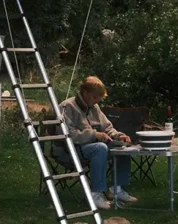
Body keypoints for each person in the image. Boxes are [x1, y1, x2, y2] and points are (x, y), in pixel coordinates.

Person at [54, 76, 137, 209]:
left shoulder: (94, 107)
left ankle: (116, 189)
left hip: (92, 146)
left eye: (99, 98)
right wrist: (94, 135)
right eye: (94, 97)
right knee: (100, 148)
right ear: (84, 92)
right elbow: (66, 134)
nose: (97, 100)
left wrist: (118, 136)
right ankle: (96, 193)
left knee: (123, 147)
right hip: (72, 149)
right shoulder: (67, 106)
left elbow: (107, 128)